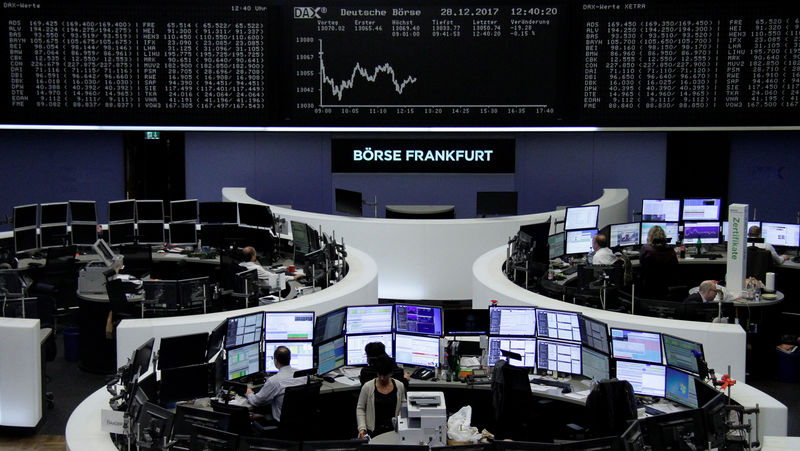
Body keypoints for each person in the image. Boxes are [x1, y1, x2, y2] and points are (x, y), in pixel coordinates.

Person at [246, 346, 305, 421]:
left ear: (276, 361)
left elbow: (257, 401)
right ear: (289, 359)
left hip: (283, 423)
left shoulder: (274, 381)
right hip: (301, 420)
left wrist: (249, 393)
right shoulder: (302, 375)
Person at [356, 355, 406, 440]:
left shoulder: (399, 386)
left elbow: (403, 404)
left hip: (393, 430)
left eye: (385, 375)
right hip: (374, 430)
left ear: (390, 373)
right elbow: (360, 408)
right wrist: (362, 428)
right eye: (380, 375)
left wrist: (401, 418)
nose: (382, 378)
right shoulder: (368, 387)